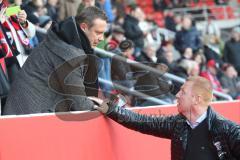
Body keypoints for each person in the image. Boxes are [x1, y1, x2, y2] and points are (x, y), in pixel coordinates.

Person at [91, 76, 240, 160]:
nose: (177, 96)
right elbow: (143, 122)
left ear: (196, 99)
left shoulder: (228, 130)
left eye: (182, 92)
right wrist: (110, 109)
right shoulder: (178, 124)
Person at [2, 6, 108, 115]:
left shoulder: (62, 40)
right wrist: (106, 107)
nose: (102, 38)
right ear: (84, 27)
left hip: (25, 111)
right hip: (26, 118)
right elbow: (80, 105)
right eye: (98, 32)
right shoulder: (68, 54)